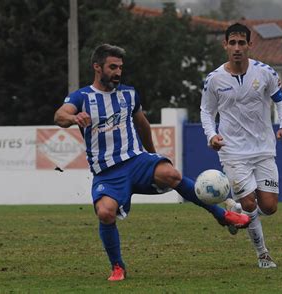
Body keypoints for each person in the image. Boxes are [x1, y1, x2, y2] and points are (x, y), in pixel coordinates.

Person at [54, 44, 251, 281]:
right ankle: (118, 266)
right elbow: (60, 115)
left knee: (171, 174)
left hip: (137, 161)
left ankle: (222, 215)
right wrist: (74, 116)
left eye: (120, 67)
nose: (118, 72)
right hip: (107, 172)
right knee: (105, 213)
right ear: (97, 67)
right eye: (112, 67)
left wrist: (153, 158)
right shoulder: (82, 97)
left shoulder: (128, 94)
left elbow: (143, 125)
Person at [200, 23, 282, 269]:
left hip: (263, 149)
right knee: (251, 203)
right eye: (232, 43)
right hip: (232, 152)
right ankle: (263, 254)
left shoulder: (265, 73)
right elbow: (206, 112)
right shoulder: (214, 79)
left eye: (241, 43)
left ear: (249, 45)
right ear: (225, 45)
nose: (237, 48)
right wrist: (211, 135)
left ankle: (236, 212)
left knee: (269, 207)